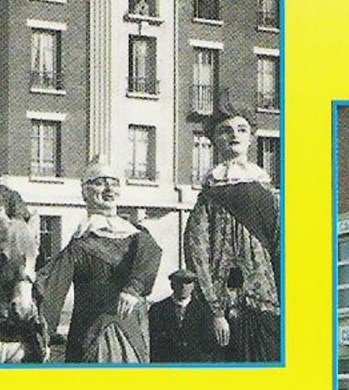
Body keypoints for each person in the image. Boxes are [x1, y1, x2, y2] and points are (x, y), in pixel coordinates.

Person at [36, 158, 162, 363]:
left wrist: (133, 288)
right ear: (85, 192)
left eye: (114, 183)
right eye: (100, 182)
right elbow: (52, 289)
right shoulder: (79, 244)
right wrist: (44, 334)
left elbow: (151, 252)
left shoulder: (137, 234)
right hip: (93, 333)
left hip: (133, 330)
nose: (109, 188)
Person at [183, 107, 281, 363]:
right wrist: (215, 311)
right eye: (225, 131)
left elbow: (281, 248)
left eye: (241, 130)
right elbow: (197, 251)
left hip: (265, 303)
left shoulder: (269, 194)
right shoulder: (210, 194)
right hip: (223, 309)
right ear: (215, 140)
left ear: (250, 138)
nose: (234, 135)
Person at [148, 269, 219, 363]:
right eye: (179, 282)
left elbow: (209, 344)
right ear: (172, 285)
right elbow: (153, 341)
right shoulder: (157, 309)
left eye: (188, 282)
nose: (183, 286)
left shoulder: (204, 311)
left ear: (193, 286)